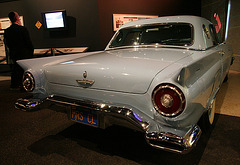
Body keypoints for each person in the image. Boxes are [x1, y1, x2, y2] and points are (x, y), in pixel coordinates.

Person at [4, 11, 34, 90]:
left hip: (14, 54)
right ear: (17, 18)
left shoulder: (7, 31)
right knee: (24, 70)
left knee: (15, 69)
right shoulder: (22, 29)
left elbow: (7, 43)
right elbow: (28, 42)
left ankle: (14, 85)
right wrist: (31, 51)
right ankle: (24, 86)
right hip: (24, 54)